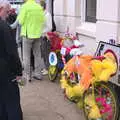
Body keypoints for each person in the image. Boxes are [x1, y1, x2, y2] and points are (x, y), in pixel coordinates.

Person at [0, 0, 23, 120]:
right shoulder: (4, 27)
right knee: (12, 103)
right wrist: (18, 71)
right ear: (1, 9)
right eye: (7, 11)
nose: (8, 14)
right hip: (6, 71)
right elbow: (13, 53)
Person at [17, 0, 45, 81]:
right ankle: (38, 74)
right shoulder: (39, 7)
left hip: (27, 34)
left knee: (26, 56)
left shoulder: (24, 6)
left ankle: (27, 76)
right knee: (37, 55)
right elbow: (43, 20)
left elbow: (20, 21)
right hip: (37, 34)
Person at [40, 1, 52, 75]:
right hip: (41, 36)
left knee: (46, 53)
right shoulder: (42, 15)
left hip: (45, 37)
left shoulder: (47, 15)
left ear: (43, 6)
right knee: (43, 53)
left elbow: (50, 27)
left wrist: (42, 32)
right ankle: (45, 67)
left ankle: (47, 69)